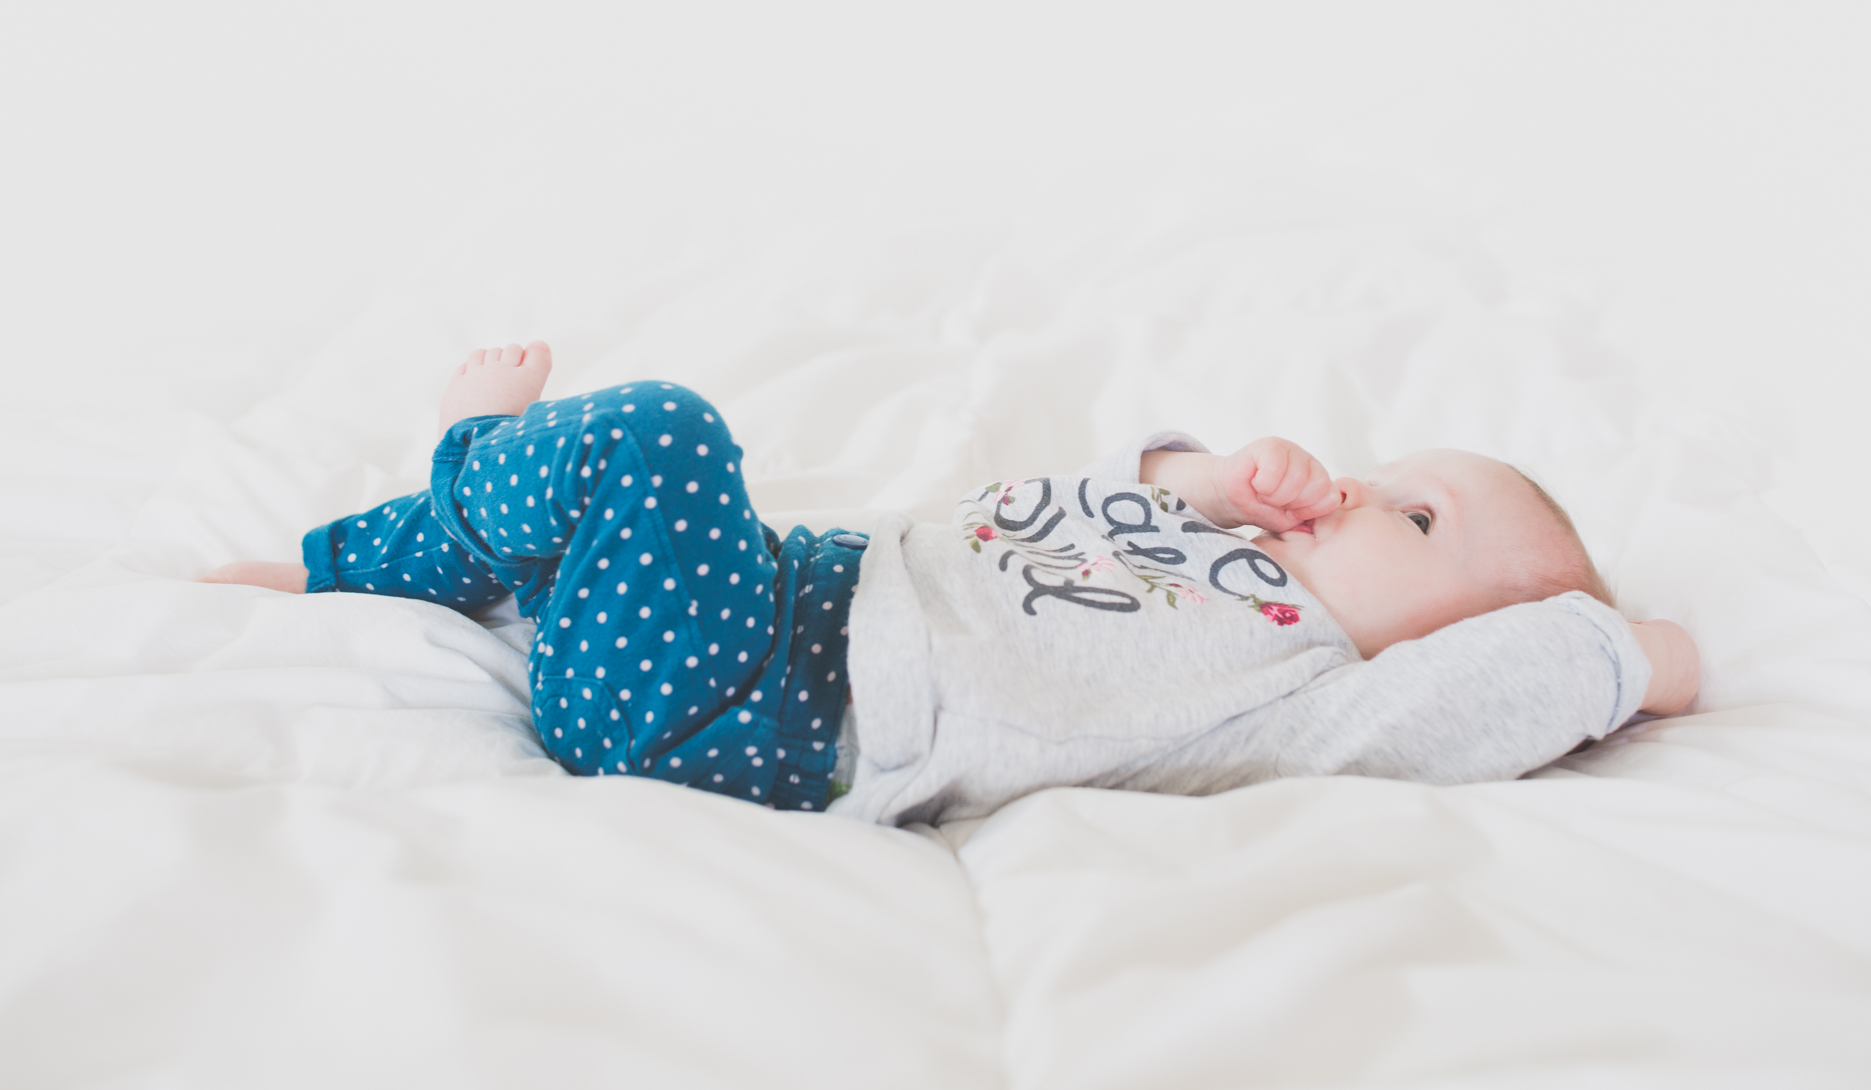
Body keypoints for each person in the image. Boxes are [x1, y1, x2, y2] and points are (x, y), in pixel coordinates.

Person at [203, 342, 1700, 826]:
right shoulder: (1226, 547)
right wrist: (1222, 481)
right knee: (640, 477)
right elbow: (1117, 490)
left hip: (745, 710)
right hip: (785, 596)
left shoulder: (1322, 689)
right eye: (1384, 467)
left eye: (1416, 518)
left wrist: (1627, 651)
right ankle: (421, 548)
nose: (1357, 491)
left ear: (1462, 637)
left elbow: (1559, 659)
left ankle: (452, 484)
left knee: (656, 435)